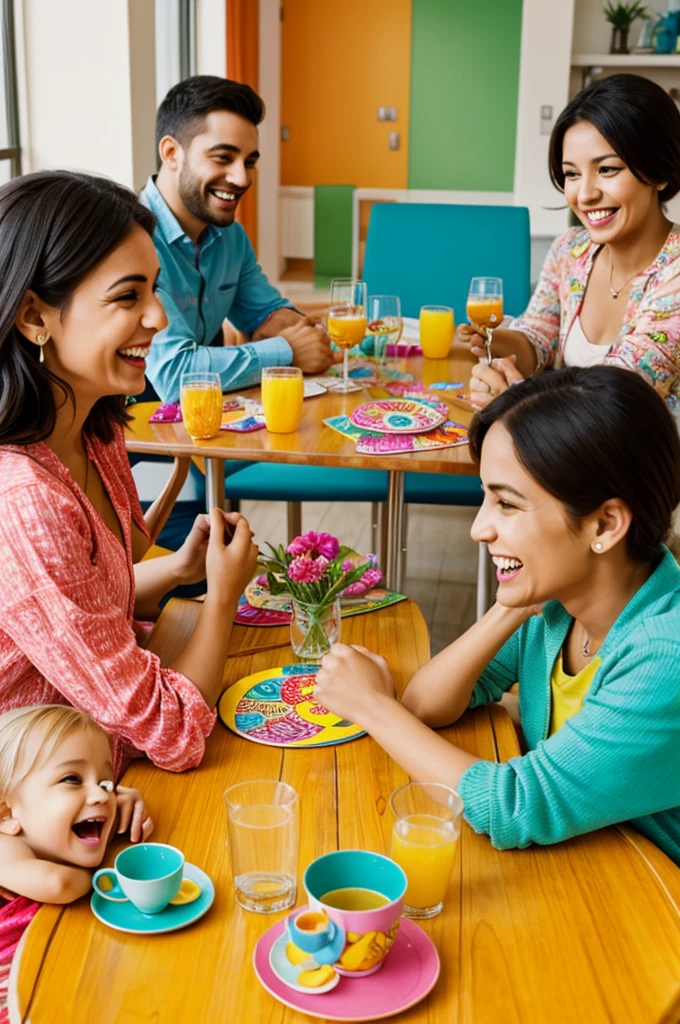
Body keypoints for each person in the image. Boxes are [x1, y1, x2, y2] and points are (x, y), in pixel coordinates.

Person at [315, 366, 680, 864]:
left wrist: (371, 707)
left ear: (605, 523)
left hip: (651, 907)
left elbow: (518, 806)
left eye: (506, 504)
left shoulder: (666, 654)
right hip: (582, 867)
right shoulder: (559, 605)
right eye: (485, 498)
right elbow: (427, 704)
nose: (479, 528)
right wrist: (510, 610)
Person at [0, 170, 259, 776]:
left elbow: (86, 607)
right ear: (34, 317)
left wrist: (180, 568)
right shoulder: (24, 500)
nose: (159, 318)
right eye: (128, 297)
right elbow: (172, 734)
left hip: (97, 742)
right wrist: (220, 596)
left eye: (156, 290)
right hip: (44, 791)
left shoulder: (96, 430)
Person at [457, 74, 680, 409]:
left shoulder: (675, 273)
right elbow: (538, 338)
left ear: (660, 172)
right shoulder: (570, 250)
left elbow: (618, 400)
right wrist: (495, 344)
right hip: (561, 452)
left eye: (607, 169)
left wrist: (518, 401)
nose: (585, 195)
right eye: (572, 174)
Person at [141, 75, 338, 403]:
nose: (242, 177)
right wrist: (286, 350)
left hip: (207, 420)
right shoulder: (132, 241)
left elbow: (266, 312)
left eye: (249, 162)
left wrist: (305, 333)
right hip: (136, 431)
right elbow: (175, 375)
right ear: (171, 152)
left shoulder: (230, 236)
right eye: (222, 157)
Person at [0, 705, 152, 1020]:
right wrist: (100, 874)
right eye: (72, 779)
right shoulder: (4, 849)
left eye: (106, 783)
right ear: (7, 814)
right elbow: (60, 884)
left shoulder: (49, 844)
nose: (100, 795)